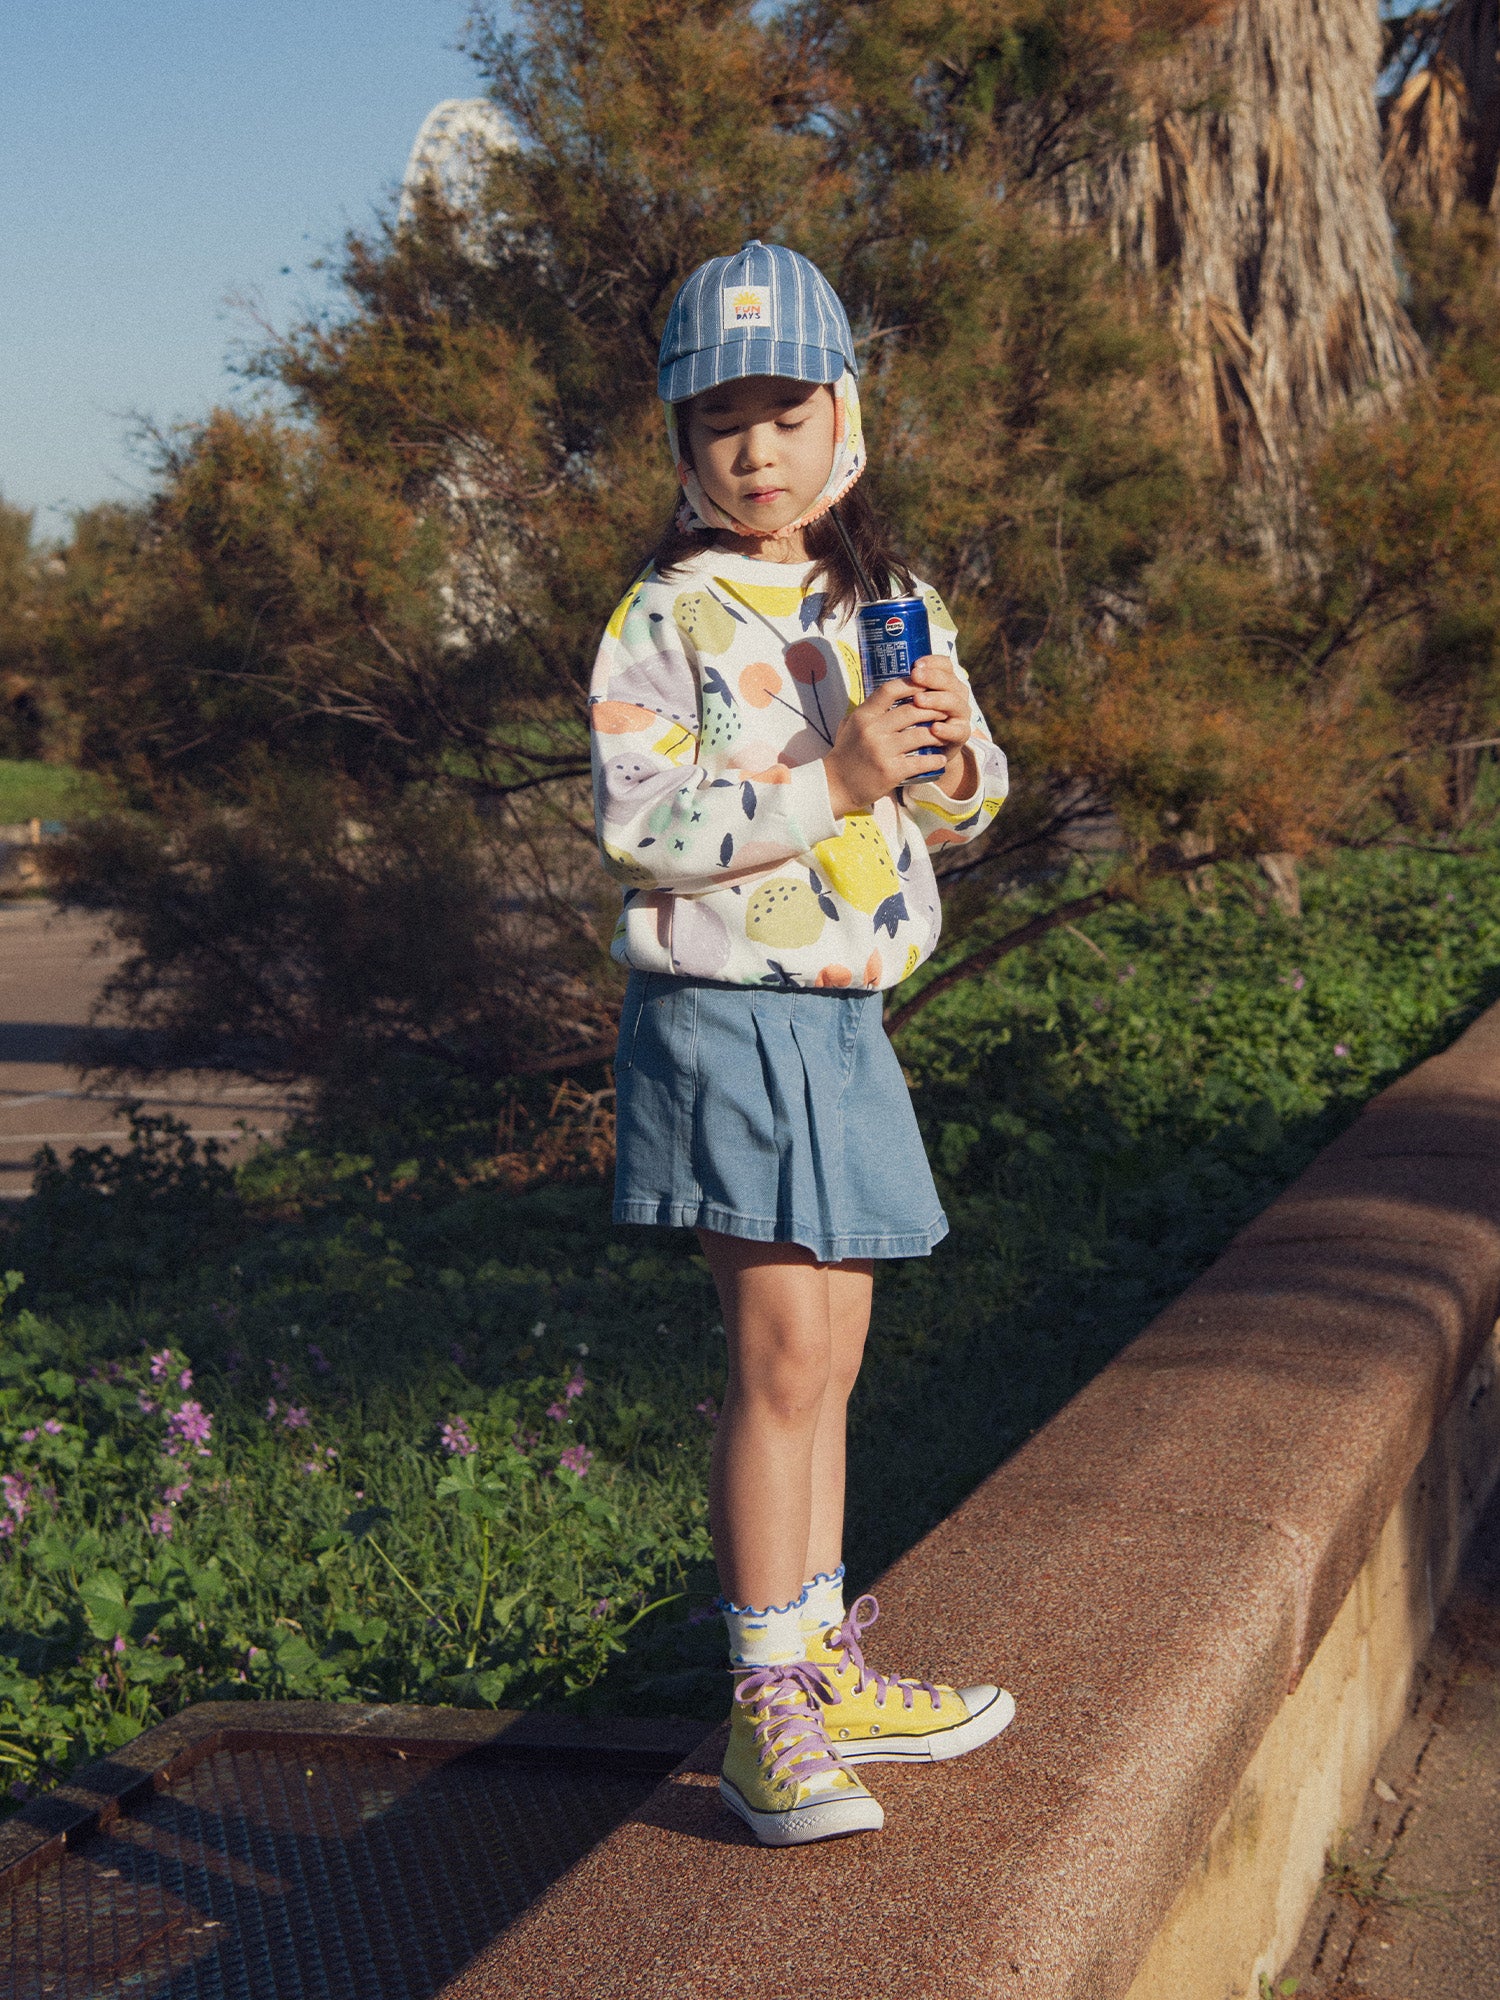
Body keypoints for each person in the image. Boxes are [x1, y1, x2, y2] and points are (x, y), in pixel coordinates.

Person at [589, 240, 1014, 1847]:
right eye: (723, 421)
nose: (757, 451)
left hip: (845, 1015)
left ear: (848, 417)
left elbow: (966, 810)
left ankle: (821, 1667)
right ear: (681, 439)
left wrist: (947, 760)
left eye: (786, 413)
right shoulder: (666, 616)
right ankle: (764, 1709)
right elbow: (643, 828)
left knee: (830, 1359)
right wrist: (831, 779)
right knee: (775, 1362)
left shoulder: (889, 603)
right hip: (725, 1017)